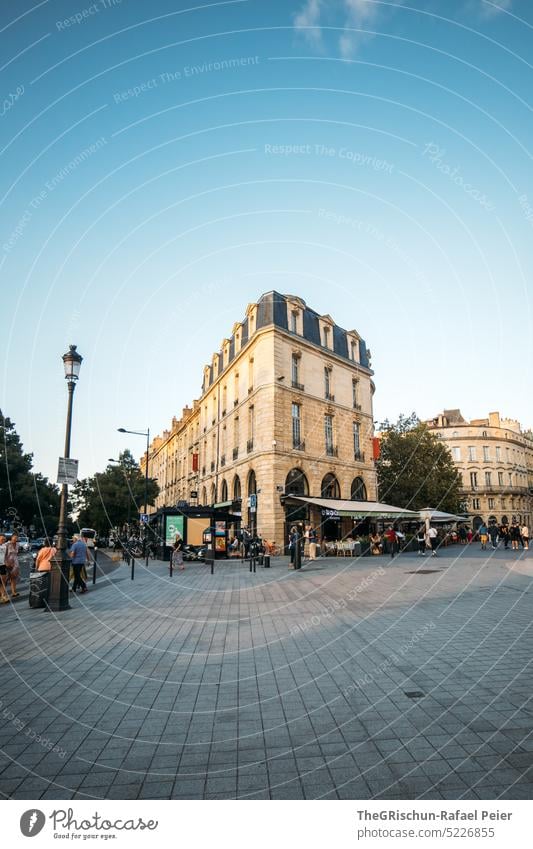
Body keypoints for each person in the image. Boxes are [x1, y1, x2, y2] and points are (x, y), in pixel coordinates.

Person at [4, 534, 20, 598]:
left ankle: (14, 592)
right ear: (11, 538)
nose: (16, 539)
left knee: (13, 578)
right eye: (14, 537)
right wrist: (6, 563)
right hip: (7, 563)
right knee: (5, 579)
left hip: (15, 564)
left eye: (17, 537)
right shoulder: (7, 544)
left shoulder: (17, 544)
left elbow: (16, 554)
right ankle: (3, 594)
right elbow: (4, 554)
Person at [0, 534, 8, 603]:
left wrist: (6, 562)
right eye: (2, 539)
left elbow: (5, 555)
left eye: (4, 539)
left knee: (3, 581)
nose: (3, 540)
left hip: (2, 565)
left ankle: (3, 596)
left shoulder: (5, 546)